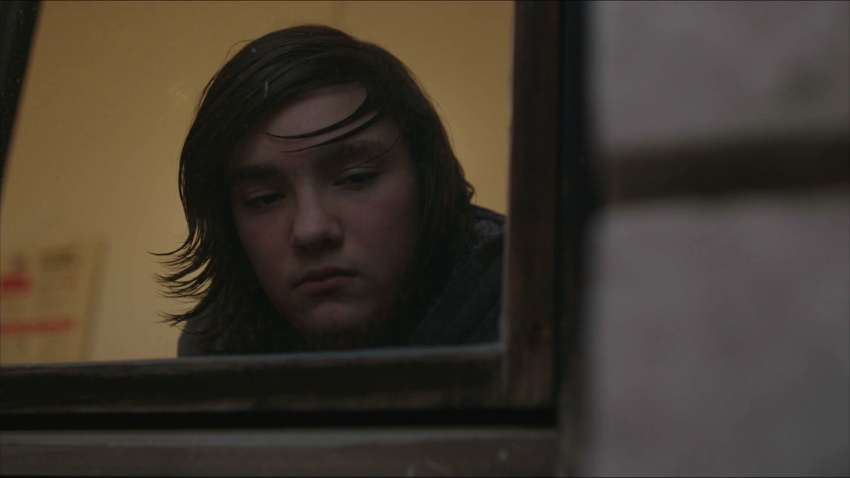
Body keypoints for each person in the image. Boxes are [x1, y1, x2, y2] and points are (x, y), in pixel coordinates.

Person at [159, 25, 504, 356]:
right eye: (264, 199)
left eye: (356, 179)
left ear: (425, 181)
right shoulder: (218, 343)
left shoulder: (525, 298)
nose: (310, 230)